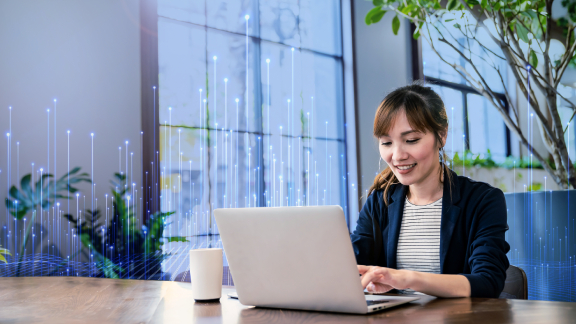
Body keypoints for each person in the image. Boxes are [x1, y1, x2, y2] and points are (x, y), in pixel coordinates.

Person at [351, 82, 510, 298]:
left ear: (441, 136)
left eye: (411, 140)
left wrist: (407, 278)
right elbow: (350, 264)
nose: (397, 156)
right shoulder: (381, 201)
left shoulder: (483, 200)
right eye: (386, 143)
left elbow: (488, 281)